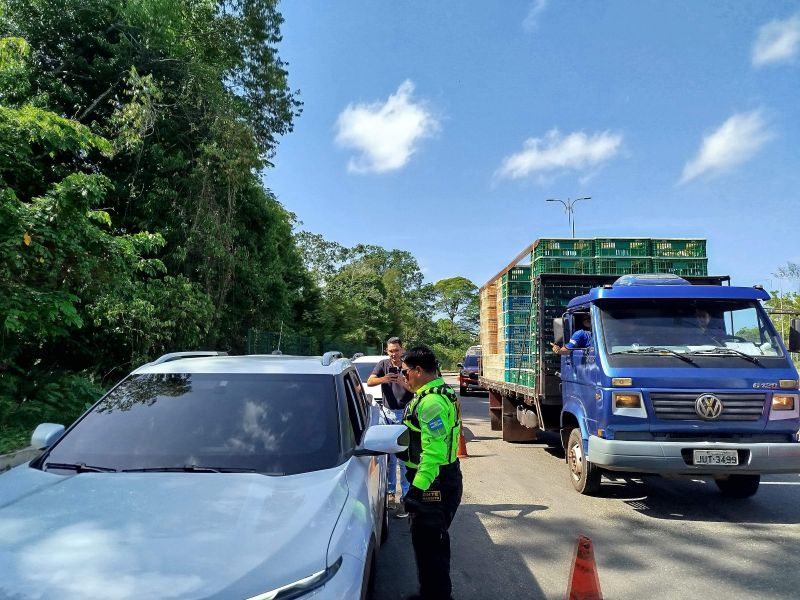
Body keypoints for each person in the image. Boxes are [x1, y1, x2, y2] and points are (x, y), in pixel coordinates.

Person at [400, 345, 463, 600]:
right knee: (427, 545)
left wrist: (417, 489)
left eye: (406, 372)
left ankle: (437, 596)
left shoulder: (431, 403)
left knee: (431, 547)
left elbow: (434, 453)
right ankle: (430, 593)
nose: (404, 377)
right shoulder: (437, 391)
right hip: (440, 478)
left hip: (434, 482)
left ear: (417, 370)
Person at [367, 336, 414, 516]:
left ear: (402, 350)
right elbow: (370, 381)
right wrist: (384, 379)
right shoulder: (383, 364)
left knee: (403, 459)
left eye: (397, 350)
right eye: (391, 351)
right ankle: (391, 494)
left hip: (405, 415)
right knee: (389, 459)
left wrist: (404, 383)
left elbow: (417, 389)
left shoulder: (408, 366)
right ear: (387, 351)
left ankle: (406, 497)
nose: (394, 354)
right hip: (386, 414)